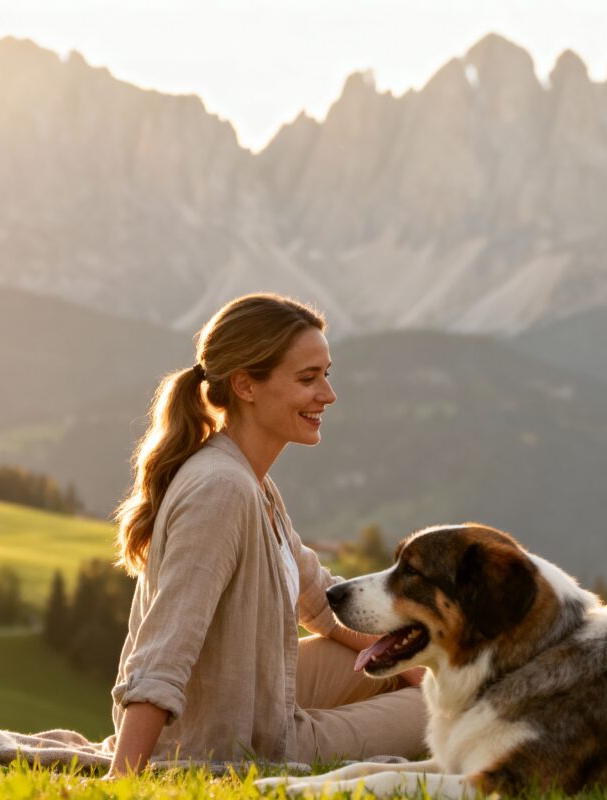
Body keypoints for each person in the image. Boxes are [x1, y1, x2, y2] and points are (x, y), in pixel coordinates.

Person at [107, 293, 425, 774]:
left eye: (326, 374)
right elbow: (165, 647)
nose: (328, 394)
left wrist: (414, 659)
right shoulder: (222, 489)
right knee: (447, 708)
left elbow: (320, 602)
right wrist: (123, 776)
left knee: (428, 676)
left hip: (252, 703)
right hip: (230, 740)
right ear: (245, 385)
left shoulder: (250, 480)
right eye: (307, 378)